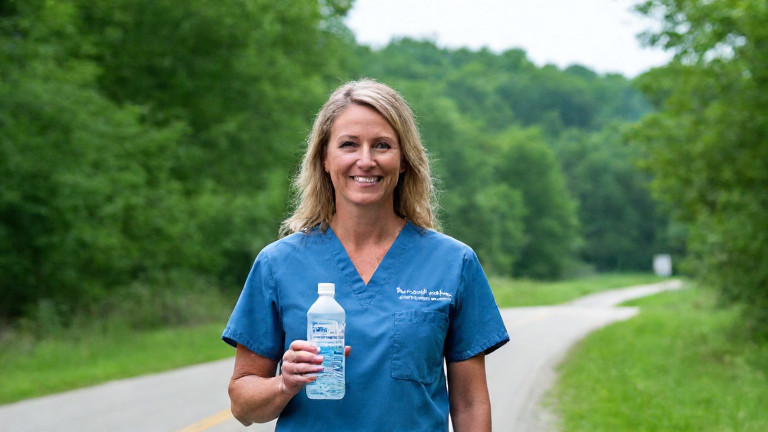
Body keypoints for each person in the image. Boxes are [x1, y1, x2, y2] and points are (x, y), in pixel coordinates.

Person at [222, 79, 509, 431]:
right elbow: (242, 405)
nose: (366, 160)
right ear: (324, 159)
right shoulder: (277, 265)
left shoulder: (453, 264)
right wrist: (285, 383)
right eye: (348, 145)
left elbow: (469, 402)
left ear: (404, 160)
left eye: (383, 146)